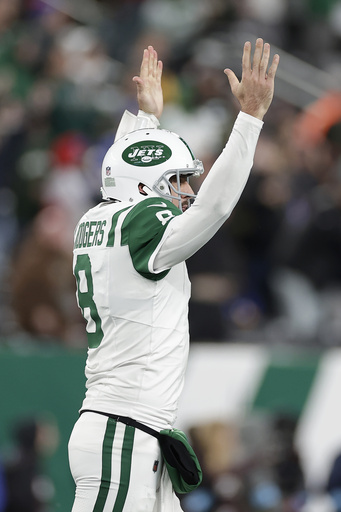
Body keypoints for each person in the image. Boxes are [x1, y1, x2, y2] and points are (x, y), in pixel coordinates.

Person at [68, 41, 279, 512]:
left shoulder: (101, 219)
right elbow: (216, 206)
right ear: (146, 185)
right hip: (124, 433)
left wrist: (146, 122)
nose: (186, 192)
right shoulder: (139, 225)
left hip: (133, 434)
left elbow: (129, 176)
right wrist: (249, 119)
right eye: (178, 180)